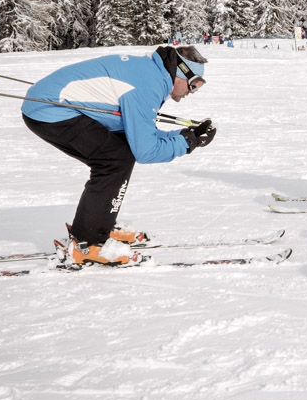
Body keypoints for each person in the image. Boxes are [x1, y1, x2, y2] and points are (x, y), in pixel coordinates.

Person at [21, 46, 215, 266]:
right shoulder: (149, 84)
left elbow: (140, 137)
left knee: (120, 153)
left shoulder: (152, 73)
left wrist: (183, 136)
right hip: (48, 111)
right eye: (194, 84)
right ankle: (87, 243)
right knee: (114, 160)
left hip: (49, 104)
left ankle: (97, 225)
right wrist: (188, 143)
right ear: (181, 71)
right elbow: (146, 151)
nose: (191, 91)